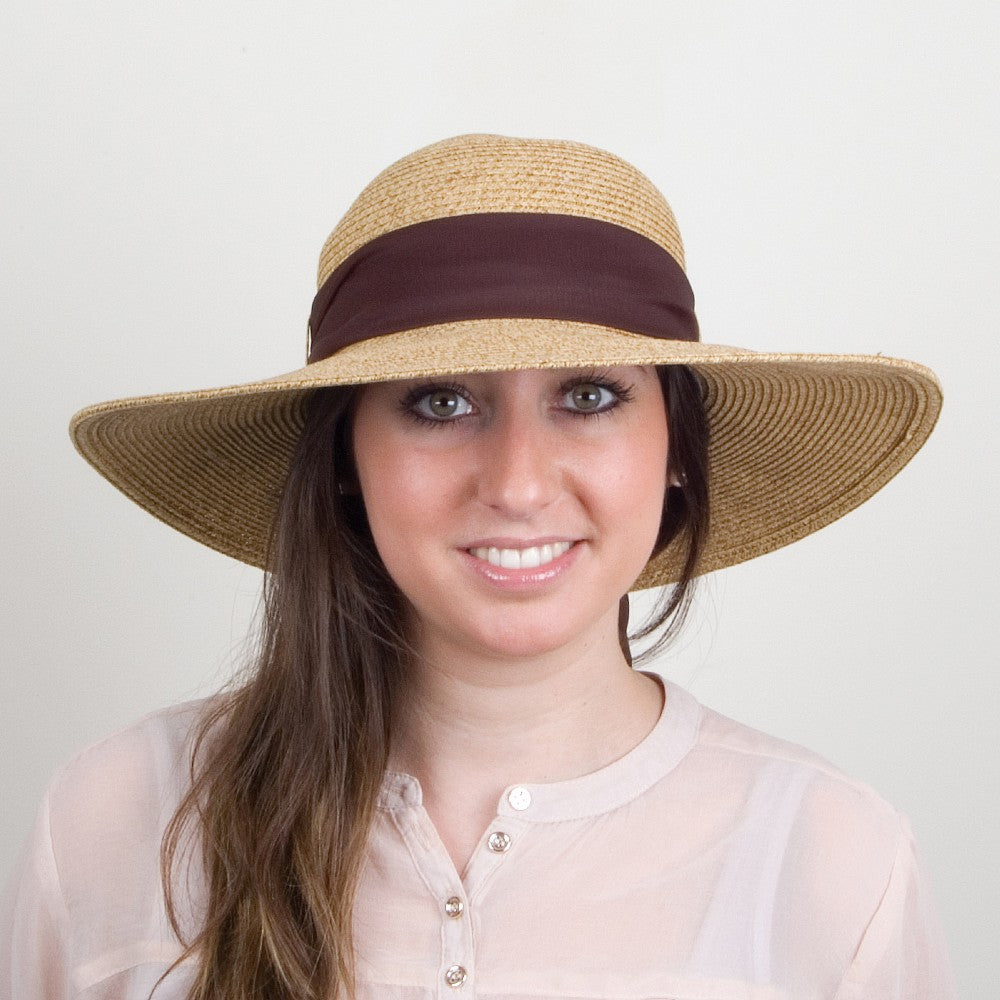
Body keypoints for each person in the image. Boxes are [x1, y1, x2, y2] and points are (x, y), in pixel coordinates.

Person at [0, 134, 956, 999]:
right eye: (441, 403)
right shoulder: (119, 823)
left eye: (588, 396)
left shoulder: (829, 863)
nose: (518, 484)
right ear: (345, 457)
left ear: (676, 447)